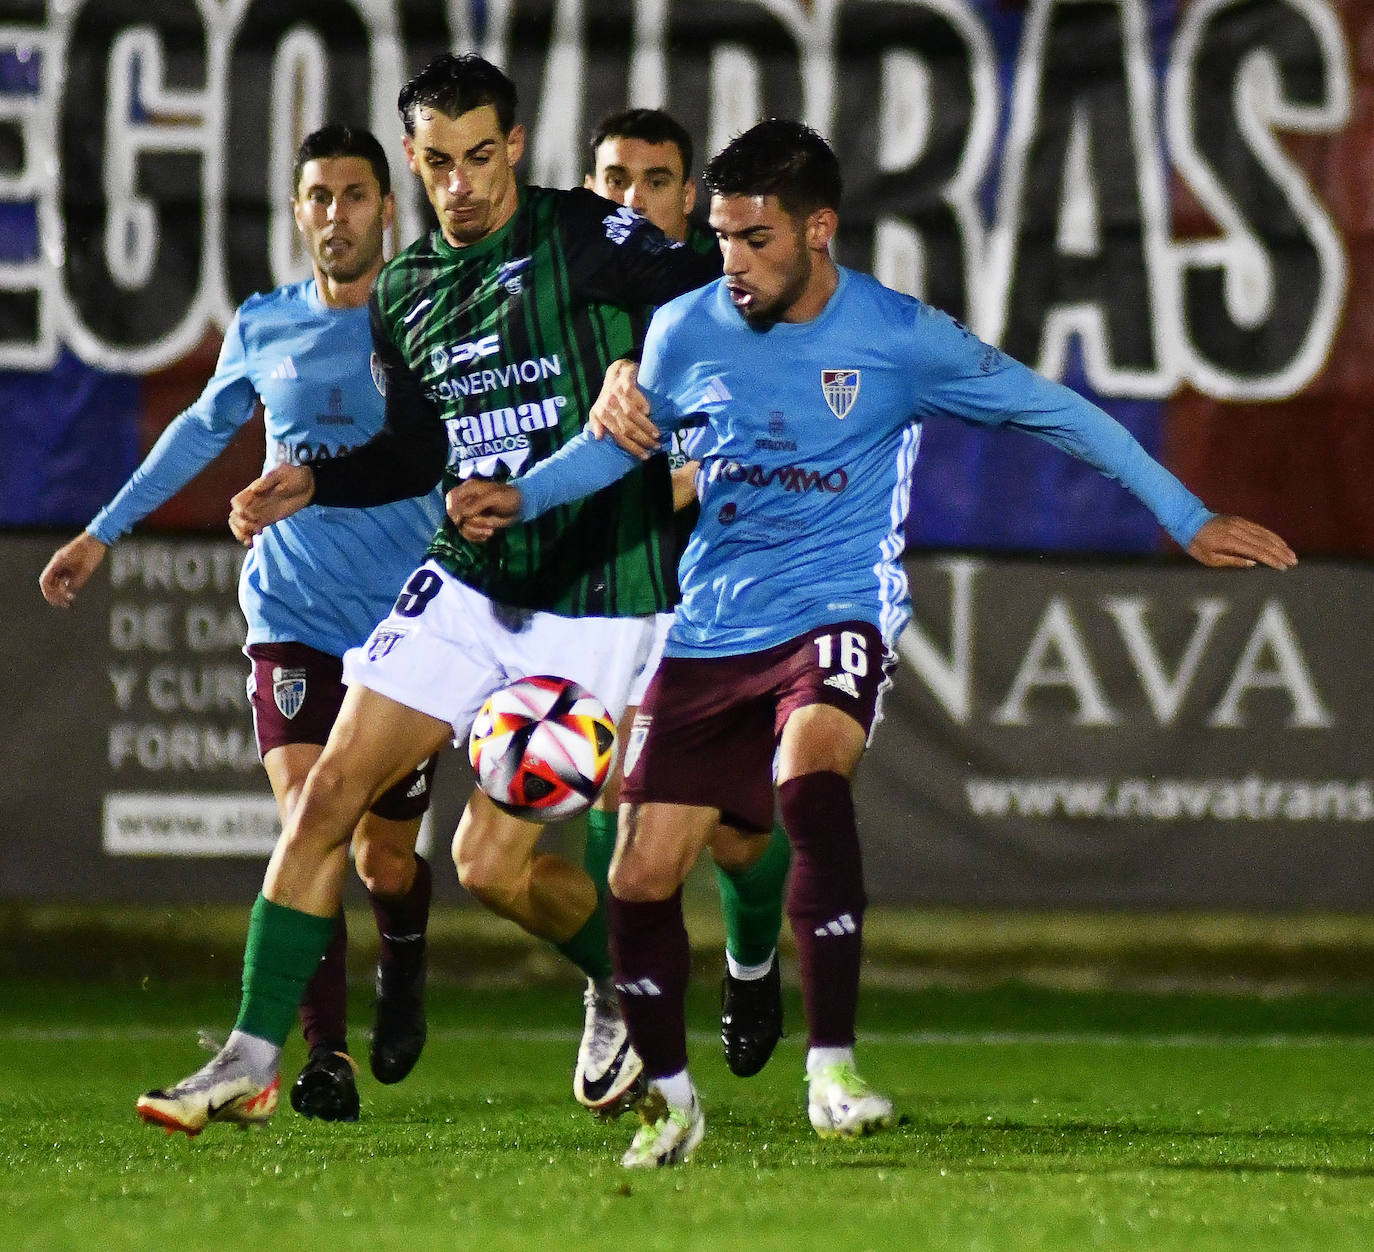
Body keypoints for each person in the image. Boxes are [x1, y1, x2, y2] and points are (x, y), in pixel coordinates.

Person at [448, 118, 1299, 1168]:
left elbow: (1055, 410)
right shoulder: (685, 330)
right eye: (721, 238)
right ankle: (673, 1100)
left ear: (820, 230)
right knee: (640, 870)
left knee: (808, 784)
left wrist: (1186, 515)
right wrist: (520, 495)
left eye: (756, 239)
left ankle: (833, 1069)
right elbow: (614, 451)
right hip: (713, 624)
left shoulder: (898, 337)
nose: (734, 263)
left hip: (836, 610)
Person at [133, 53, 728, 1137]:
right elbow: (416, 447)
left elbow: (720, 292)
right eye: (442, 162)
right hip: (466, 578)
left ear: (515, 147)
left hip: (595, 594)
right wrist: (317, 476)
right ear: (415, 161)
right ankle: (249, 1056)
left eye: (484, 156)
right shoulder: (404, 291)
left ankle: (624, 983)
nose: (465, 182)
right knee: (324, 802)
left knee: (490, 866)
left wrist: (638, 370)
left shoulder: (586, 234)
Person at [42, 125, 442, 1124]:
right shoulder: (267, 324)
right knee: (309, 819)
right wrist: (102, 532)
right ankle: (321, 1055)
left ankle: (405, 951)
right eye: (320, 196)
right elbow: (198, 429)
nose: (338, 213)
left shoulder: (428, 321)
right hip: (291, 614)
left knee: (382, 856)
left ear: (386, 210)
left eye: (357, 194)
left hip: (407, 628)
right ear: (298, 210)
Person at [584, 106, 791, 1079]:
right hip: (604, 590)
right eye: (613, 180)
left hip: (718, 596)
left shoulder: (732, 311)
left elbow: (740, 462)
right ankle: (611, 998)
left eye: (653, 181)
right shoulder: (562, 304)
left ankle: (751, 963)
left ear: (688, 199)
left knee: (743, 838)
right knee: (602, 782)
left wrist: (633, 475)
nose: (630, 199)